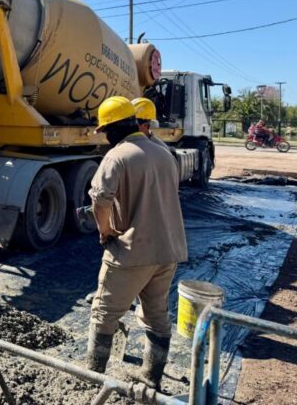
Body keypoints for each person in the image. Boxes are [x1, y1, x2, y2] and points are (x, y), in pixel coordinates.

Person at [87, 96, 187, 390]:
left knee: (104, 313)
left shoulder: (117, 156)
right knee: (156, 314)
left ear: (113, 129)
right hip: (168, 250)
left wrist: (105, 231)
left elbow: (100, 201)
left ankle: (92, 379)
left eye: (105, 131)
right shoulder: (164, 153)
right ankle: (151, 376)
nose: (105, 137)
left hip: (132, 251)